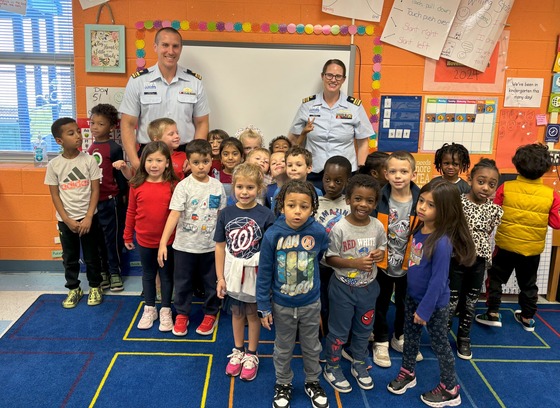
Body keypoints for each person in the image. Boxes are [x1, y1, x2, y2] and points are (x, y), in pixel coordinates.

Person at [387, 179, 476, 408]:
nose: (422, 207)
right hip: (413, 297)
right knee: (410, 338)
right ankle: (408, 372)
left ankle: (450, 388)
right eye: (422, 201)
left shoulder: (443, 242)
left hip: (433, 305)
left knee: (440, 346)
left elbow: (438, 281)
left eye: (431, 205)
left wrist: (425, 310)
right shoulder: (420, 227)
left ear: (445, 210)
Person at [257, 180, 330, 408]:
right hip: (282, 305)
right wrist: (264, 306)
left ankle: (312, 381)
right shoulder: (273, 235)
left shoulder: (318, 232)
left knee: (312, 346)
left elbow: (318, 258)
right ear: (281, 206)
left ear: (312, 208)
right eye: (291, 205)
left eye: (304, 206)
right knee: (283, 347)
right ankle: (283, 383)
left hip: (310, 303)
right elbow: (265, 272)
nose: (297, 211)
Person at [476, 143, 560, 332]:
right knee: (529, 284)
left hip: (505, 245)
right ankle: (527, 317)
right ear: (546, 168)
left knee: (496, 279)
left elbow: (494, 213)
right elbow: (556, 223)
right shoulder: (551, 194)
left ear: (517, 165)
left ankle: (492, 313)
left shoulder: (507, 187)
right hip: (532, 250)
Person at [323, 174, 386, 394]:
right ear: (348, 199)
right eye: (358, 198)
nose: (363, 204)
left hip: (368, 289)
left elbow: (382, 249)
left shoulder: (378, 226)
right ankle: (331, 365)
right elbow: (329, 258)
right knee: (339, 331)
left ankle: (359, 361)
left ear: (375, 203)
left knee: (363, 330)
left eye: (369, 201)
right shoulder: (340, 228)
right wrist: (355, 263)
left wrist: (379, 254)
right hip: (342, 289)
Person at [158, 139, 227, 337]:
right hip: (184, 246)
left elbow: (221, 216)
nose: (201, 166)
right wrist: (164, 242)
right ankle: (182, 314)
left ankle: (211, 313)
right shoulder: (183, 186)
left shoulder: (217, 186)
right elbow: (174, 214)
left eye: (205, 161)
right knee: (183, 282)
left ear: (211, 161)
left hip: (211, 247)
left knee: (211, 282)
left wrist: (224, 243)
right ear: (188, 162)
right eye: (195, 162)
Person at [214, 163, 275, 381]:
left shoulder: (266, 215)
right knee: (237, 312)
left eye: (250, 187)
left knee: (253, 313)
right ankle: (238, 350)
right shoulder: (226, 213)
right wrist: (220, 277)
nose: (244, 192)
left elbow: (270, 251)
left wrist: (267, 281)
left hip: (256, 274)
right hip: (232, 273)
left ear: (259, 188)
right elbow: (220, 246)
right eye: (240, 187)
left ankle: (252, 354)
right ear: (233, 187)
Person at [119, 27, 210, 170]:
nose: (170, 51)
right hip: (149, 157)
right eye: (165, 45)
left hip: (184, 156)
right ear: (155, 47)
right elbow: (127, 124)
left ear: (181, 48)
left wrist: (195, 157)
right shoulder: (138, 81)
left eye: (175, 46)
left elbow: (202, 123)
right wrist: (135, 162)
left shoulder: (194, 82)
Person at [288, 59, 374, 190]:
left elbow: (363, 143)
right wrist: (294, 165)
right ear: (322, 76)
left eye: (338, 76)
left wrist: (361, 173)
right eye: (329, 75)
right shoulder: (308, 105)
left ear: (344, 79)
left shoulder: (354, 107)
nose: (333, 80)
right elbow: (293, 138)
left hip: (344, 174)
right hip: (314, 172)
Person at [45, 118, 103, 308]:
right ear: (59, 140)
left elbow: (95, 190)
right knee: (69, 257)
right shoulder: (54, 165)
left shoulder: (89, 160)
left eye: (78, 131)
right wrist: (67, 220)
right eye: (71, 133)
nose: (78, 136)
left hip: (88, 219)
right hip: (66, 220)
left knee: (91, 255)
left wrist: (88, 217)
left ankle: (95, 286)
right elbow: (55, 195)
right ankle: (73, 288)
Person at [372, 151, 422, 368]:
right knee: (381, 301)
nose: (398, 176)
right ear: (385, 173)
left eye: (403, 171)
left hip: (409, 264)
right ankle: (381, 339)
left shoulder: (421, 200)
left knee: (405, 302)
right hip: (382, 263)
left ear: (413, 173)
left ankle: (399, 336)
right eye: (393, 171)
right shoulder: (379, 197)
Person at [449, 158, 503, 359]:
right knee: (451, 300)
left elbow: (486, 232)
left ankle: (464, 337)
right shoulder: (458, 202)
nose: (486, 188)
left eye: (492, 184)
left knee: (470, 301)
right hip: (456, 258)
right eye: (481, 181)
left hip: (478, 262)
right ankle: (442, 334)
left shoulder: (494, 209)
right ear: (470, 179)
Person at [123, 141, 179, 331]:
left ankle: (165, 310)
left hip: (168, 241)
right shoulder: (136, 185)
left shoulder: (173, 185)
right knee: (147, 274)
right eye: (149, 160)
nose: (154, 165)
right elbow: (131, 211)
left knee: (166, 275)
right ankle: (149, 308)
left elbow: (177, 214)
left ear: (167, 163)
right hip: (144, 240)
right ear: (143, 161)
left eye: (159, 160)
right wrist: (127, 235)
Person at [87, 103, 127, 292]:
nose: (94, 127)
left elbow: (120, 176)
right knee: (98, 239)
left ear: (111, 127)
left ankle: (115, 272)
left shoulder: (114, 148)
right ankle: (103, 271)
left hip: (112, 200)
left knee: (112, 239)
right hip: (95, 201)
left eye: (100, 124)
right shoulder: (90, 148)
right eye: (92, 123)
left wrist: (123, 196)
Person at [315, 156, 352, 338]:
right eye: (327, 179)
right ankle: (325, 336)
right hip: (321, 264)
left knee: (341, 304)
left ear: (347, 181)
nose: (331, 185)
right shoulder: (316, 204)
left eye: (338, 181)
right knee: (323, 303)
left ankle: (340, 338)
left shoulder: (350, 203)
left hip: (344, 265)